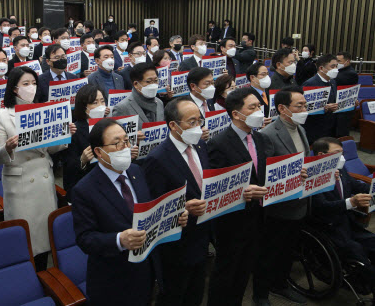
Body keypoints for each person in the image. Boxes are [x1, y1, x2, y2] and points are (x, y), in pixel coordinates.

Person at [72, 118, 187, 305]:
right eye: (116, 143)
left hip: (147, 270)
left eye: (126, 141)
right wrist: (119, 240)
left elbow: (149, 211)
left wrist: (173, 216)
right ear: (99, 152)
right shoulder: (85, 190)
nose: (124, 148)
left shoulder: (136, 171)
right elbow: (85, 239)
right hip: (114, 280)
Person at [0, 66, 76, 270]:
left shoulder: (44, 110)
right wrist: (8, 147)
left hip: (44, 179)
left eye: (33, 83)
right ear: (14, 88)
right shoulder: (2, 115)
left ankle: (45, 275)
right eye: (25, 84)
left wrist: (64, 135)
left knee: (45, 238)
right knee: (27, 241)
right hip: (21, 184)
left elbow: (50, 149)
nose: (31, 88)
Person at [206, 88, 273, 306]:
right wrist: (240, 193)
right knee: (226, 272)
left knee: (244, 270)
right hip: (231, 222)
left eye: (259, 106)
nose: (259, 111)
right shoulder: (218, 144)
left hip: (258, 216)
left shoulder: (260, 139)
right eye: (252, 107)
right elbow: (214, 188)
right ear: (236, 114)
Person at [143, 98, 210, 306]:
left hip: (202, 235)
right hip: (176, 246)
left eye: (200, 121)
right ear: (173, 125)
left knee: (196, 293)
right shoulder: (157, 159)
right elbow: (155, 208)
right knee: (174, 296)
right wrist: (182, 209)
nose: (197, 127)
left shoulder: (199, 145)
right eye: (191, 122)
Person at [254, 86, 310, 306]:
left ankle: (281, 284)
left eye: (305, 105)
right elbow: (263, 172)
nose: (304, 109)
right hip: (278, 207)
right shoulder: (268, 135)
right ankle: (261, 294)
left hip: (300, 200)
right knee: (269, 252)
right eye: (300, 106)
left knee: (288, 249)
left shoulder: (301, 129)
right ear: (282, 108)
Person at [311, 137, 375, 295]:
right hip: (328, 227)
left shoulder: (341, 169)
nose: (342, 157)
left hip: (347, 222)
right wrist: (351, 202)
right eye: (337, 153)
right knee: (357, 250)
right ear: (321, 155)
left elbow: (356, 184)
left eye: (342, 153)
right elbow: (321, 207)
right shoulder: (313, 177)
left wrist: (371, 189)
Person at [64, 84, 111, 195]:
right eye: (95, 103)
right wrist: (82, 160)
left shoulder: (109, 126)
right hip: (88, 187)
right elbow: (68, 167)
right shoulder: (74, 131)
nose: (100, 106)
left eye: (102, 101)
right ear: (83, 106)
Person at [112, 62, 164, 129]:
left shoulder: (159, 103)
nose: (153, 85)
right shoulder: (122, 108)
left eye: (156, 80)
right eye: (148, 81)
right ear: (136, 84)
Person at [302, 54, 339, 144]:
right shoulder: (310, 84)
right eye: (332, 66)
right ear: (321, 68)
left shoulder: (333, 82)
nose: (335, 69)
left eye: (336, 66)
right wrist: (324, 107)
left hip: (330, 125)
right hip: (315, 127)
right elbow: (303, 107)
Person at [335, 51, 358, 137]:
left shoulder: (351, 73)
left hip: (345, 108)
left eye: (339, 61)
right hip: (337, 106)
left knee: (341, 132)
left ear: (347, 61)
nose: (337, 63)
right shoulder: (338, 70)